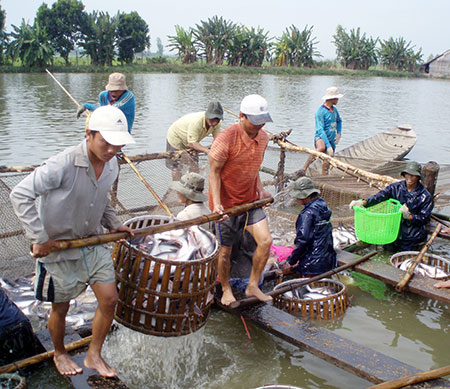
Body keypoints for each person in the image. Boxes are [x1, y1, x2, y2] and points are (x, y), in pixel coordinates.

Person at [10, 105, 135, 377]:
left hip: (91, 242)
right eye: (107, 142)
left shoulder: (112, 164)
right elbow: (20, 194)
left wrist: (115, 224)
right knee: (61, 306)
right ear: (89, 134)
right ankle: (60, 352)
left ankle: (93, 355)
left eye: (119, 144)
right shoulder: (63, 164)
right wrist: (39, 238)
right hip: (59, 248)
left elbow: (101, 201)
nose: (113, 149)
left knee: (110, 299)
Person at [209, 94, 274, 306]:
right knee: (225, 251)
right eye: (255, 122)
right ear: (241, 116)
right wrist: (217, 204)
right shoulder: (225, 139)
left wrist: (261, 190)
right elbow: (214, 173)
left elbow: (253, 168)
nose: (259, 126)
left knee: (265, 242)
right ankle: (226, 288)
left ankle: (252, 285)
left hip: (250, 201)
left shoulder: (263, 138)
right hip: (227, 206)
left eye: (262, 122)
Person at [349, 161, 434, 251]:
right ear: (404, 174)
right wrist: (364, 202)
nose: (410, 177)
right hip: (393, 232)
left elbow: (425, 218)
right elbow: (380, 196)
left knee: (403, 259)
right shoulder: (396, 187)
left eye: (413, 175)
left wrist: (409, 216)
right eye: (407, 174)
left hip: (412, 236)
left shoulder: (425, 196)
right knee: (387, 254)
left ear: (418, 177)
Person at [284, 177, 337, 275]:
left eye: (299, 197)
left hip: (312, 264)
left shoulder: (307, 214)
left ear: (306, 196)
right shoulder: (323, 205)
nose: (297, 199)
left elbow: (303, 240)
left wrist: (291, 261)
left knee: (310, 288)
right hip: (329, 259)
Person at [166, 101, 223, 180]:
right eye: (212, 120)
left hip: (191, 140)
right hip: (176, 138)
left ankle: (193, 188)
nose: (214, 123)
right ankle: (176, 189)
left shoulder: (217, 124)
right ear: (207, 116)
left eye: (217, 120)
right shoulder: (197, 122)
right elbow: (192, 144)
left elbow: (218, 139)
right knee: (178, 168)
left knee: (195, 167)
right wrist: (206, 150)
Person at [301, 86, 343, 175]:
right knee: (321, 148)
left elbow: (339, 121)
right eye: (337, 98)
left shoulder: (334, 110)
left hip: (331, 139)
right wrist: (328, 146)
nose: (338, 100)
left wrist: (339, 133)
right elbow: (320, 129)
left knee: (326, 163)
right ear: (332, 98)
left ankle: (324, 178)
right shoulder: (320, 111)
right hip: (321, 138)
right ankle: (304, 168)